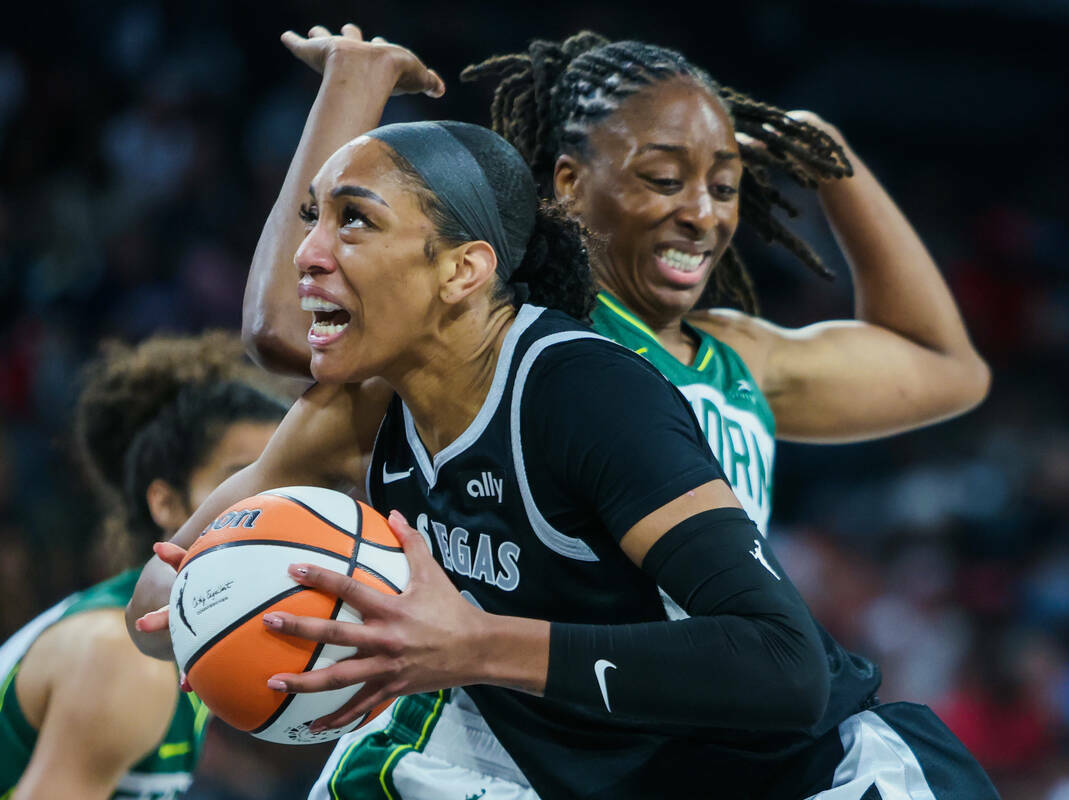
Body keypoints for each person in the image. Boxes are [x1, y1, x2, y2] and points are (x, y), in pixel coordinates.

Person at [126, 61, 998, 796]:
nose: (310, 253)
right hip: (581, 754)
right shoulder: (359, 404)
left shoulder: (585, 385)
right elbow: (154, 602)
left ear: (466, 271)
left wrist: (469, 645)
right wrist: (214, 603)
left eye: (351, 220)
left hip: (797, 769)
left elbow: (786, 667)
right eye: (316, 221)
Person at [0, 333, 285, 800]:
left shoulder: (186, 640)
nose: (267, 506)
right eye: (238, 479)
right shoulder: (121, 656)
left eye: (280, 482)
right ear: (167, 503)